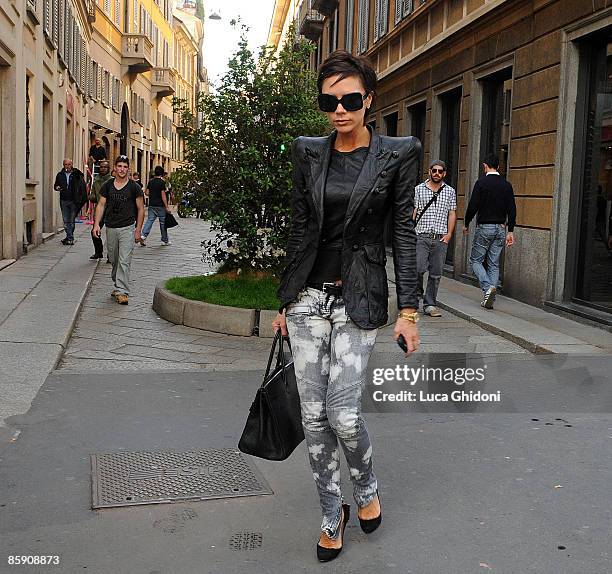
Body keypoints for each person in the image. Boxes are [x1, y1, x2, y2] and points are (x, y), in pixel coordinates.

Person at [272, 50, 421, 562]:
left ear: (369, 100)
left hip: (358, 298)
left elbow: (403, 232)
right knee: (314, 417)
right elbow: (298, 228)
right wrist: (285, 298)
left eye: (350, 99)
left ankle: (367, 487)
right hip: (308, 300)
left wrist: (410, 310)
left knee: (345, 416)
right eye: (328, 100)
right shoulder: (308, 152)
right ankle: (331, 513)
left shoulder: (396, 154)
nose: (339, 110)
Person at [463, 153, 516, 309]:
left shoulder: (481, 183)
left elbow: (473, 206)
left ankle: (488, 288)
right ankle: (490, 299)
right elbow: (512, 209)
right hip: (501, 229)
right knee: (493, 264)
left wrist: (466, 223)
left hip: (485, 227)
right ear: (499, 167)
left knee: (475, 260)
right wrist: (510, 231)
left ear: (485, 166)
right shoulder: (507, 185)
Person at [93, 155, 145, 305]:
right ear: (115, 168)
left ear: (128, 169)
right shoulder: (108, 185)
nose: (122, 169)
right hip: (110, 227)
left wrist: (138, 229)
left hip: (127, 228)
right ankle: (118, 284)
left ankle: (122, 291)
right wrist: (96, 224)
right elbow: (101, 205)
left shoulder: (134, 187)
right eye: (119, 166)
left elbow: (141, 209)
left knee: (124, 260)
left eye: (125, 167)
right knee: (114, 259)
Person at [413, 160, 457, 317]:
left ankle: (430, 304)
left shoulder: (450, 192)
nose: (437, 173)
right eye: (434, 170)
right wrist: (410, 232)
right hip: (421, 236)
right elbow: (415, 210)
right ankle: (417, 294)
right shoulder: (419, 189)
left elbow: (452, 213)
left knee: (436, 273)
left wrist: (449, 234)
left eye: (440, 171)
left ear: (444, 173)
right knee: (418, 268)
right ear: (429, 171)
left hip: (440, 238)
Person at [54, 158, 87, 245]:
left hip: (74, 200)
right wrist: (57, 187)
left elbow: (82, 187)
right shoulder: (60, 175)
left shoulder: (76, 175)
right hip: (64, 200)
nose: (67, 166)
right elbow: (56, 185)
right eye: (65, 164)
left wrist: (80, 198)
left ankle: (69, 237)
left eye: (69, 164)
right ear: (63, 165)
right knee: (65, 220)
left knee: (71, 220)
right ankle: (69, 237)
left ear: (72, 165)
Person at [89, 160, 112, 260]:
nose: (102, 169)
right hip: (100, 209)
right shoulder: (96, 180)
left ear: (108, 169)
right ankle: (98, 252)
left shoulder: (111, 180)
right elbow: (93, 193)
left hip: (110, 209)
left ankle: (110, 255)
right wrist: (92, 197)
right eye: (101, 167)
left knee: (111, 233)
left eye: (105, 167)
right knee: (94, 231)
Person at [142, 166, 172, 246]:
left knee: (150, 220)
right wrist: (166, 206)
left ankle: (143, 235)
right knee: (162, 223)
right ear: (162, 173)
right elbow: (163, 195)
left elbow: (146, 193)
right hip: (160, 206)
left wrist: (153, 193)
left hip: (151, 205)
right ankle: (164, 240)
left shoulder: (151, 181)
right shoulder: (162, 183)